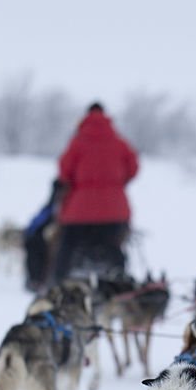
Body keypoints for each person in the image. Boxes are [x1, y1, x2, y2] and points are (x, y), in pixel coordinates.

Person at [52, 102, 139, 282]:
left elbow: (63, 171)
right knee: (114, 248)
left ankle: (57, 282)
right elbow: (133, 167)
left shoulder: (77, 142)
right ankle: (120, 284)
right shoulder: (119, 141)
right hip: (114, 210)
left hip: (79, 210)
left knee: (67, 246)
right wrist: (117, 183)